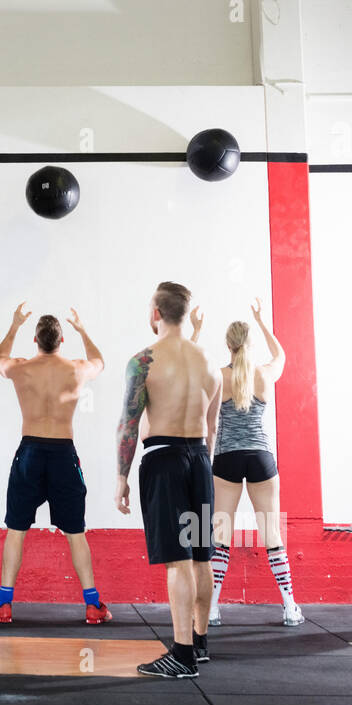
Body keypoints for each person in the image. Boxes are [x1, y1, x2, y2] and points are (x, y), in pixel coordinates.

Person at [116, 282, 221, 677]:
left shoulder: (143, 361)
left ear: (156, 313)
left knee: (178, 562)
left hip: (163, 460)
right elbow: (213, 431)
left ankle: (180, 655)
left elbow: (128, 426)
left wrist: (121, 477)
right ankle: (199, 642)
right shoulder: (209, 362)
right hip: (199, 461)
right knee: (200, 556)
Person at [0, 303, 110, 625]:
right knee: (75, 531)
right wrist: (83, 329)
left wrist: (13, 326)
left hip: (30, 452)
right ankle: (93, 606)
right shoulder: (77, 369)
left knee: (16, 529)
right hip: (63, 454)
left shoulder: (22, 368)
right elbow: (100, 362)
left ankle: (4, 604)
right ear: (62, 341)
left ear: (36, 341)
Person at [198, 299, 303, 627]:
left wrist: (212, 457)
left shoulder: (218, 376)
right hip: (260, 458)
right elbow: (282, 357)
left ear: (228, 346)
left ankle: (213, 608)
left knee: (220, 534)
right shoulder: (264, 375)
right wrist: (261, 320)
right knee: (272, 533)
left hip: (227, 459)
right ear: (249, 344)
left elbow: (211, 425)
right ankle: (289, 607)